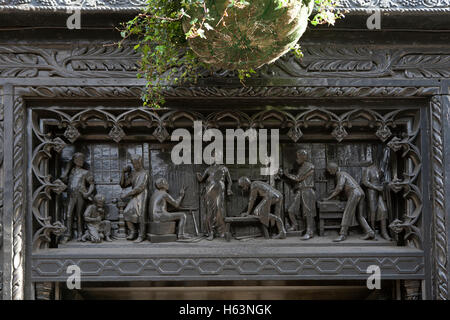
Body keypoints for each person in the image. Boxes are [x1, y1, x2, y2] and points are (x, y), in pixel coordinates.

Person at [324, 162, 375, 242]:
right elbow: (340, 189)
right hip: (360, 192)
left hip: (354, 193)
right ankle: (370, 232)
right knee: (360, 216)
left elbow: (339, 188)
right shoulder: (343, 174)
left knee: (347, 213)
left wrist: (328, 199)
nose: (329, 172)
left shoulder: (340, 174)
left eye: (329, 170)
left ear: (333, 169)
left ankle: (343, 234)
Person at [281, 149, 317, 240]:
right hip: (300, 191)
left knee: (308, 212)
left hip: (307, 190)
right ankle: (295, 225)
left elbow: (298, 178)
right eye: (297, 156)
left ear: (304, 156)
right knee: (291, 210)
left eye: (299, 156)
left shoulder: (308, 166)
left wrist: (286, 174)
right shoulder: (301, 167)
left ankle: (310, 232)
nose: (297, 158)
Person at [60, 152, 95, 243]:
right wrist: (68, 168)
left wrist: (88, 193)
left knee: (79, 215)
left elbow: (92, 184)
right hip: (70, 195)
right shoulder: (71, 171)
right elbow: (63, 178)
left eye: (82, 159)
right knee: (68, 214)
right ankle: (68, 234)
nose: (81, 161)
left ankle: (80, 233)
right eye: (79, 159)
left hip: (80, 195)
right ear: (74, 161)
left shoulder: (85, 172)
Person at [197, 159, 233, 241]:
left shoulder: (224, 168)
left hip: (219, 189)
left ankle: (221, 231)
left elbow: (229, 181)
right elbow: (201, 179)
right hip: (210, 190)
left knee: (219, 209)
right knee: (210, 210)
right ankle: (211, 232)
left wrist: (229, 189)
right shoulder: (208, 169)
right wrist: (198, 175)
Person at [120, 154, 149, 242]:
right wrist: (123, 173)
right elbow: (123, 184)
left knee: (141, 214)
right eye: (133, 164)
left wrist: (126, 195)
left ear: (140, 162)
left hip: (141, 195)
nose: (135, 165)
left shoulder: (145, 173)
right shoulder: (133, 173)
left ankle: (142, 235)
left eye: (136, 163)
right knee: (126, 212)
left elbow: (140, 187)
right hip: (134, 196)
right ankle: (133, 232)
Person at [362, 163, 392, 241]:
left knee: (384, 210)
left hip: (380, 192)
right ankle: (372, 232)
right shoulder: (368, 169)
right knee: (373, 211)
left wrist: (383, 186)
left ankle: (384, 232)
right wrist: (376, 187)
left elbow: (383, 180)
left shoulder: (382, 169)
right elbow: (365, 182)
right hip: (371, 192)